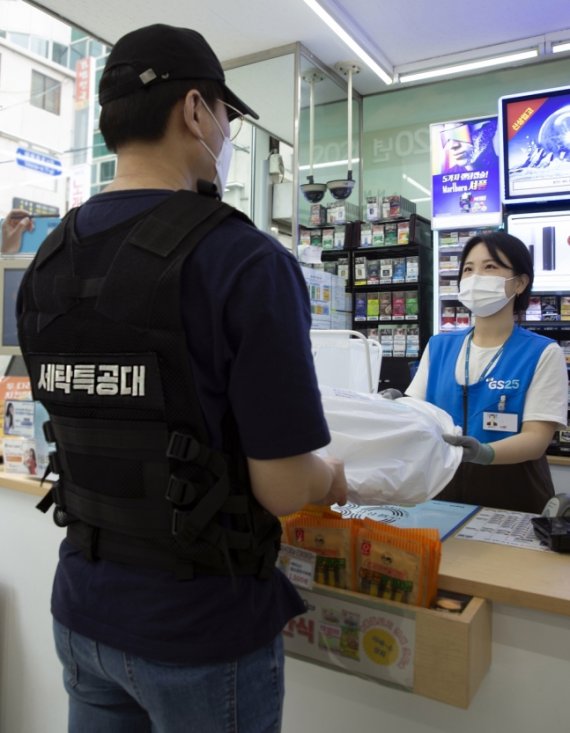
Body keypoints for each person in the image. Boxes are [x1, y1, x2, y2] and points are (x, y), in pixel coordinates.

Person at [16, 24, 347, 733]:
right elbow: (285, 486)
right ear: (196, 111)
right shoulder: (243, 260)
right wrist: (331, 476)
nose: (226, 134)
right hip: (201, 626)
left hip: (82, 606)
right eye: (226, 116)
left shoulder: (47, 259)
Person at [406, 231, 568, 513]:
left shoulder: (542, 352)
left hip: (514, 498)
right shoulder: (439, 346)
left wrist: (484, 452)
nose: (475, 277)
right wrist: (394, 407)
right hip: (441, 493)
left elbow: (536, 440)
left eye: (490, 267)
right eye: (468, 269)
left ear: (519, 282)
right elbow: (416, 414)